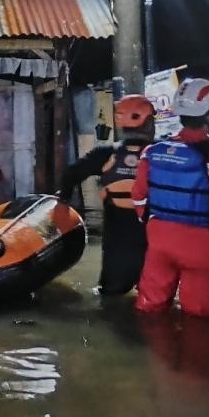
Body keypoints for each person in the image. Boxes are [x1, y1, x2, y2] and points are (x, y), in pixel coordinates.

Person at [131, 78, 209, 317]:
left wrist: (156, 229)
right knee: (199, 318)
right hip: (202, 248)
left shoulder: (151, 153)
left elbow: (138, 198)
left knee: (150, 310)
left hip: (159, 243)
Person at [58, 95, 156, 295]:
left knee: (110, 296)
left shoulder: (105, 154)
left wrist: (63, 201)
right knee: (153, 299)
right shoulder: (163, 154)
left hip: (116, 243)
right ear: (148, 123)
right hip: (154, 242)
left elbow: (70, 174)